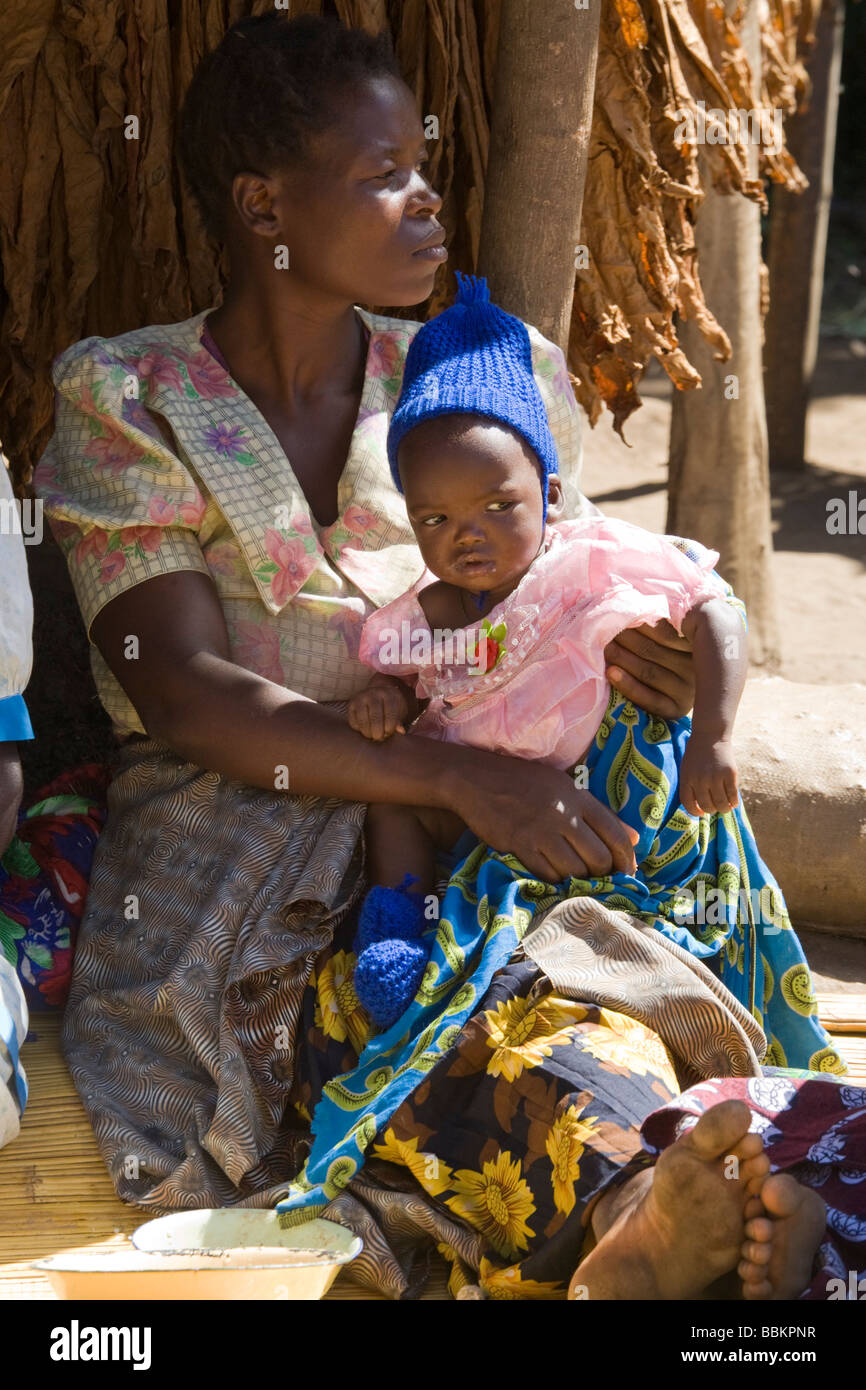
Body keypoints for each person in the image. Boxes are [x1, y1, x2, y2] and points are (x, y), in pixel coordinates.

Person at [34, 13, 858, 1300]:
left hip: (499, 799)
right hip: (247, 839)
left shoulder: (475, 379)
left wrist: (640, 659)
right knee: (393, 1013)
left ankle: (656, 1202)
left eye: (421, 164)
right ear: (264, 205)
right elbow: (185, 693)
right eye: (382, 175)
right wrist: (447, 781)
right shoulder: (131, 400)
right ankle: (642, 1215)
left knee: (566, 976)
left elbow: (578, 588)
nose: (427, 199)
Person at [346, 275, 835, 1076]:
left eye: (497, 507)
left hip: (617, 789)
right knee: (390, 788)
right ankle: (397, 923)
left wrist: (713, 736)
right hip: (500, 799)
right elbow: (405, 680)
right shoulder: (433, 610)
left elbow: (716, 610)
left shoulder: (594, 559)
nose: (468, 536)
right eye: (436, 519)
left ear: (547, 494)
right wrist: (384, 697)